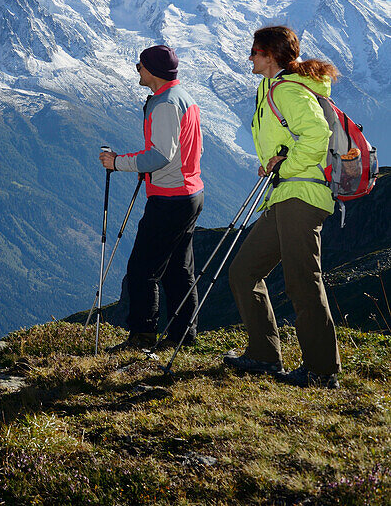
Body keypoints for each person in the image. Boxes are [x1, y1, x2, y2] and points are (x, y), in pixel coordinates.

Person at [224, 25, 341, 388]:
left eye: (255, 51)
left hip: (302, 196)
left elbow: (317, 135)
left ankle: (322, 371)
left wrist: (285, 166)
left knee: (303, 282)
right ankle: (263, 355)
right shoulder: (271, 88)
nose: (250, 57)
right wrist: (277, 163)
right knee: (244, 272)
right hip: (284, 195)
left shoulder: (289, 91)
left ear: (271, 55)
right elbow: (291, 140)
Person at [100, 45, 204, 351]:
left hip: (170, 199)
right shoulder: (183, 98)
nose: (137, 69)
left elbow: (160, 155)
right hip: (189, 193)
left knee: (142, 270)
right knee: (178, 270)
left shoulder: (165, 105)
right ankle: (183, 336)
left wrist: (119, 162)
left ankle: (142, 335)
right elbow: (190, 149)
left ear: (153, 71)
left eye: (140, 66)